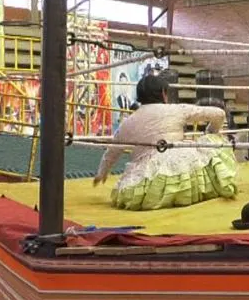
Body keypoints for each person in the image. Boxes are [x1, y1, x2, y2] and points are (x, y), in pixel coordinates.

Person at [93, 75, 238, 211]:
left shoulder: (129, 122)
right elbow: (219, 113)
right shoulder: (176, 109)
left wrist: (102, 173)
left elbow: (112, 151)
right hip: (184, 171)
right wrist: (210, 132)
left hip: (146, 186)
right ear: (163, 93)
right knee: (211, 141)